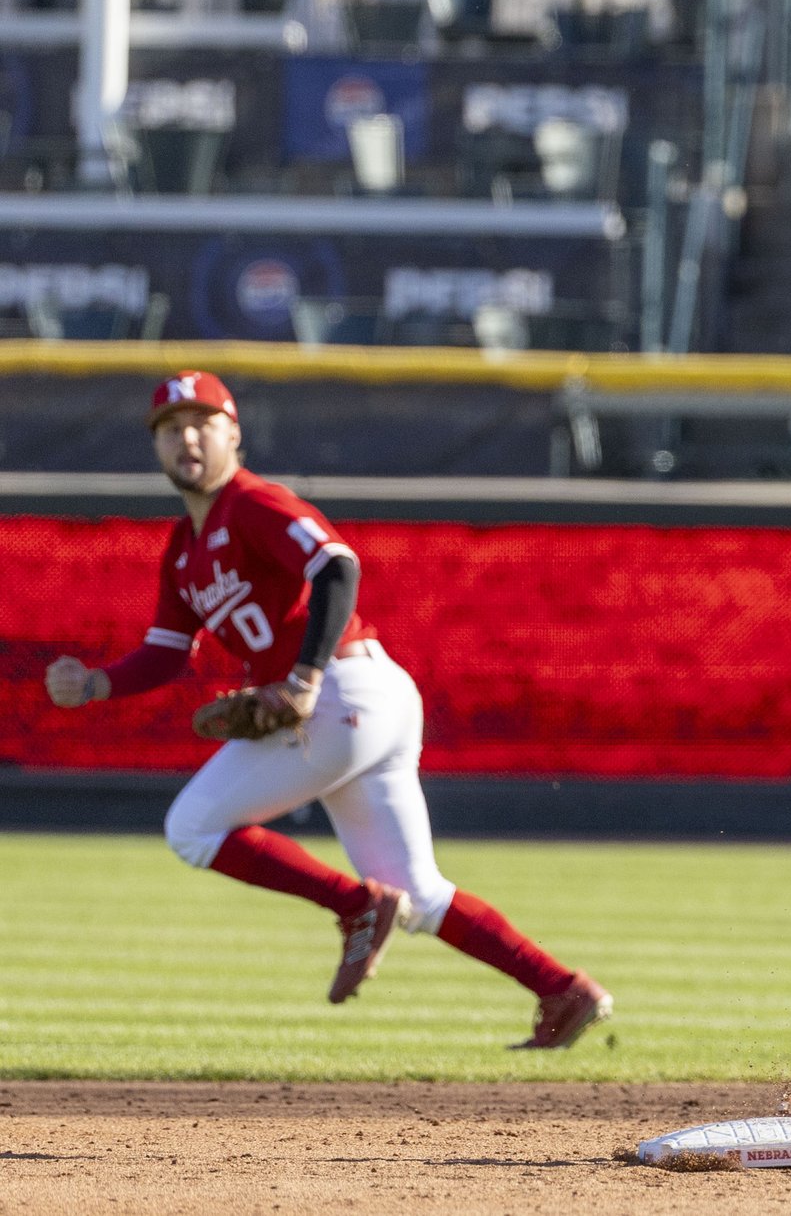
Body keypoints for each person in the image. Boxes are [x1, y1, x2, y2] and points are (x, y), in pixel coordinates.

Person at [42, 371, 611, 1048]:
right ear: (157, 445)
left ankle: (354, 904)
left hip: (341, 689)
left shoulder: (252, 502)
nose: (186, 437)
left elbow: (337, 566)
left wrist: (305, 677)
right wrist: (97, 683)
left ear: (233, 434)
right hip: (359, 702)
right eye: (171, 428)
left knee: (192, 824)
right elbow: (167, 654)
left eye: (202, 422)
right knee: (421, 895)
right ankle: (562, 988)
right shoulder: (182, 551)